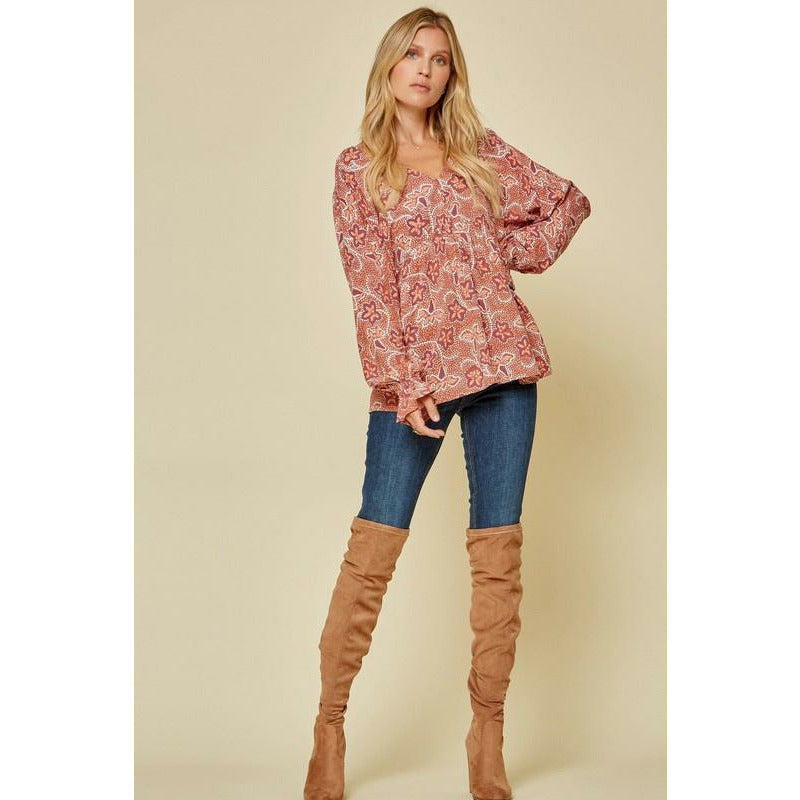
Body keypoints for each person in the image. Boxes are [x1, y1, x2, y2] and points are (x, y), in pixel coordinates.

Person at [304, 7, 591, 800]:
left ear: (449, 73)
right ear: (389, 66)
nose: (425, 70)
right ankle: (329, 726)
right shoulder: (358, 168)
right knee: (372, 552)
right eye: (412, 55)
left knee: (498, 563)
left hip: (504, 371)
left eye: (439, 58)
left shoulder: (480, 152)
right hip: (415, 387)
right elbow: (369, 289)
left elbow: (565, 203)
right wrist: (404, 381)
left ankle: (487, 733)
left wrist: (501, 249)